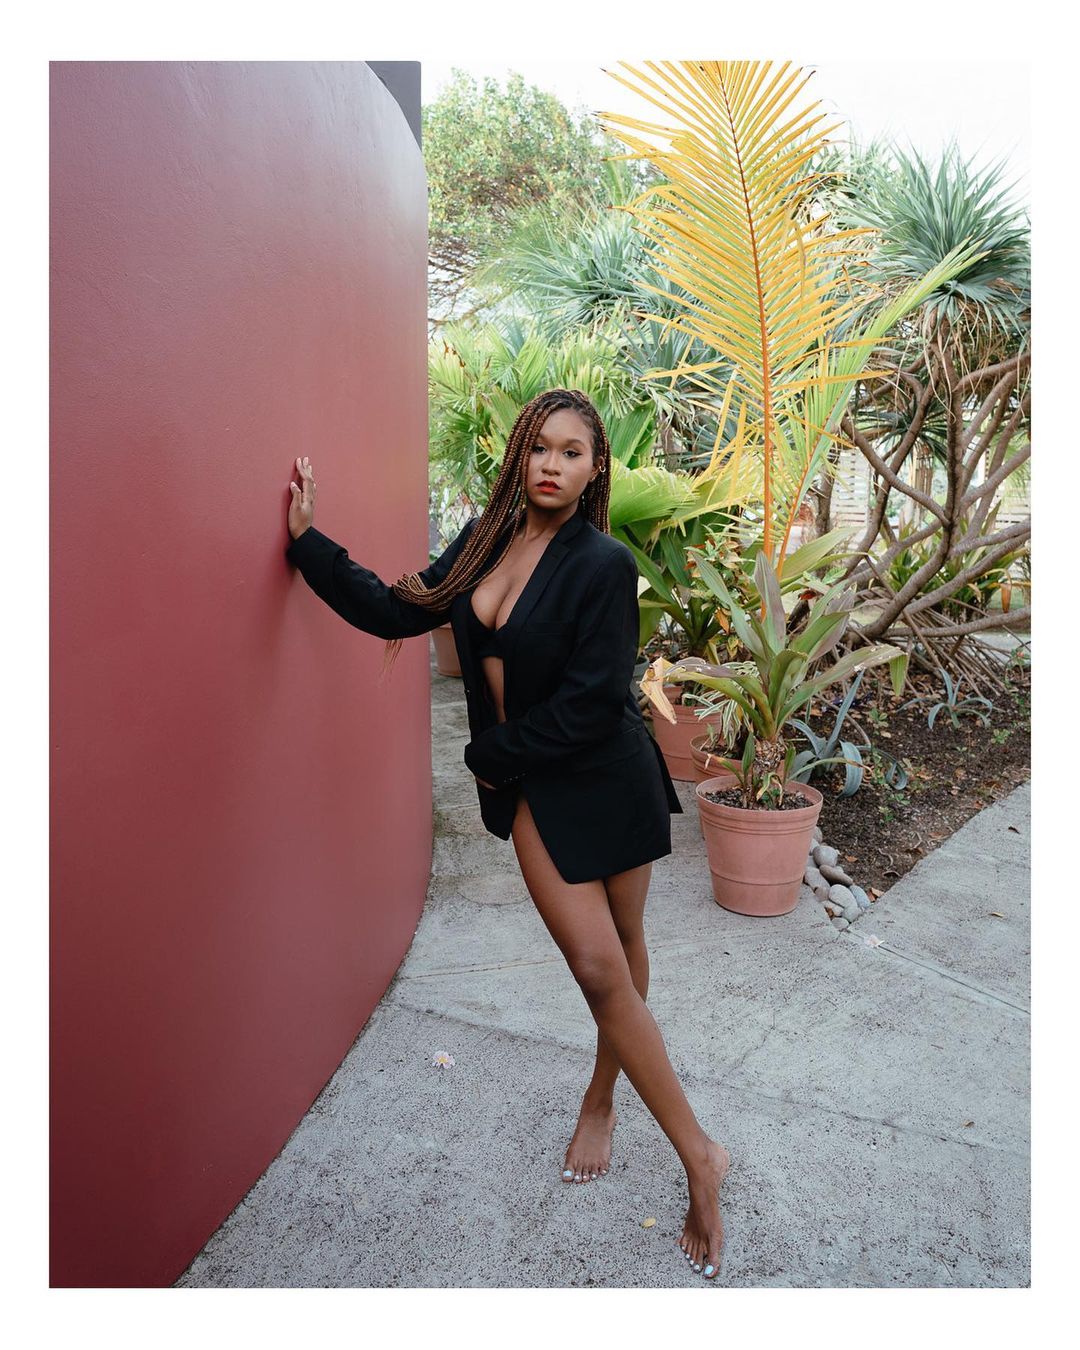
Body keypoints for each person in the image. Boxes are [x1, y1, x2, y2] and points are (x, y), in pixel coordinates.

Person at [285, 388, 731, 1280]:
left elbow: (595, 701)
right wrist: (307, 543)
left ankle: (614, 1105)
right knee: (598, 968)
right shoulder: (483, 540)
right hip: (534, 789)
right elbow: (397, 609)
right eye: (540, 447)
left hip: (607, 775)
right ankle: (700, 1150)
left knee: (623, 952)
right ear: (520, 455)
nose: (552, 464)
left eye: (572, 451)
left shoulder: (603, 563)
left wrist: (485, 752)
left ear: (595, 468)